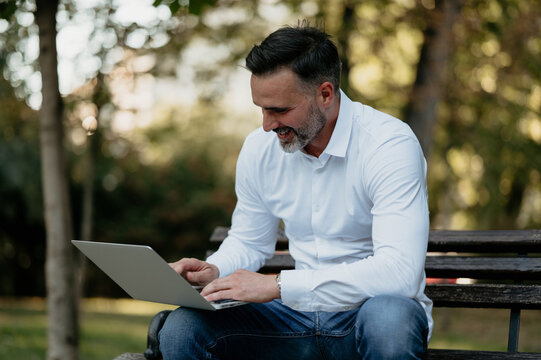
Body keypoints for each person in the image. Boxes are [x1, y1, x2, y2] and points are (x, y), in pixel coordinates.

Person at [159, 23, 432, 360]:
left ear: (325, 94)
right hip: (290, 319)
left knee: (390, 317)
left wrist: (278, 286)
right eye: (261, 108)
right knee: (183, 328)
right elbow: (249, 241)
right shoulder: (260, 149)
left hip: (365, 319)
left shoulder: (388, 145)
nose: (267, 124)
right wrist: (214, 270)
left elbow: (399, 273)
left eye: (280, 110)